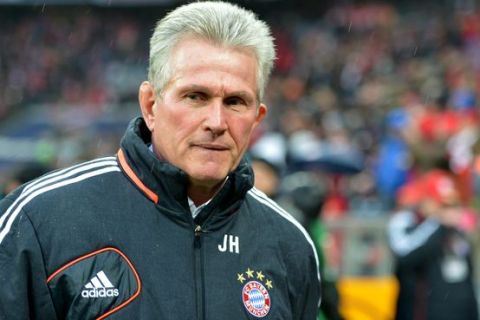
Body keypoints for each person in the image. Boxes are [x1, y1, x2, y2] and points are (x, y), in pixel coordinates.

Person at [0, 2, 321, 319]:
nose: (217, 121)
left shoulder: (289, 244)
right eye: (196, 96)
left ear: (257, 118)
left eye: (236, 101)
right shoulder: (38, 221)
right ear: (150, 105)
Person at [388, 169, 479, 320]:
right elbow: (405, 257)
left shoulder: (456, 233)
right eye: (443, 205)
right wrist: (436, 223)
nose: (449, 210)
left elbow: (466, 279)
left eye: (452, 204)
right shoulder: (411, 223)